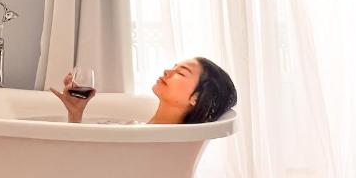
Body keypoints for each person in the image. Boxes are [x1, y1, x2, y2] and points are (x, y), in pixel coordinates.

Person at [48, 58, 236, 124]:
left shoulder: (160, 143)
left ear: (196, 97)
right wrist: (75, 114)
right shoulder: (141, 130)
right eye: (173, 66)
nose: (167, 71)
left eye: (180, 72)